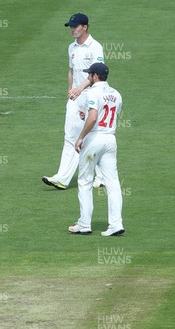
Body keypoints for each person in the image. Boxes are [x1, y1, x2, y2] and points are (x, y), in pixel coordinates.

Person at [43, 13, 105, 190]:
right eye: (71, 26)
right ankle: (62, 178)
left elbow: (97, 74)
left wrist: (80, 88)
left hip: (91, 96)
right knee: (70, 137)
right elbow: (71, 71)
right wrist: (71, 89)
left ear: (85, 27)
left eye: (76, 26)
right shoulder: (71, 48)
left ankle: (101, 177)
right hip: (75, 98)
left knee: (91, 137)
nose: (72, 29)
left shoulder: (95, 47)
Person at [68, 63, 124, 236]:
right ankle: (116, 224)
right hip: (110, 139)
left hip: (94, 139)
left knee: (85, 181)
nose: (88, 77)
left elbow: (92, 118)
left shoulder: (92, 92)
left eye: (90, 75)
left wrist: (81, 137)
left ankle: (84, 224)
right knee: (113, 183)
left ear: (95, 76)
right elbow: (111, 114)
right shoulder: (116, 93)